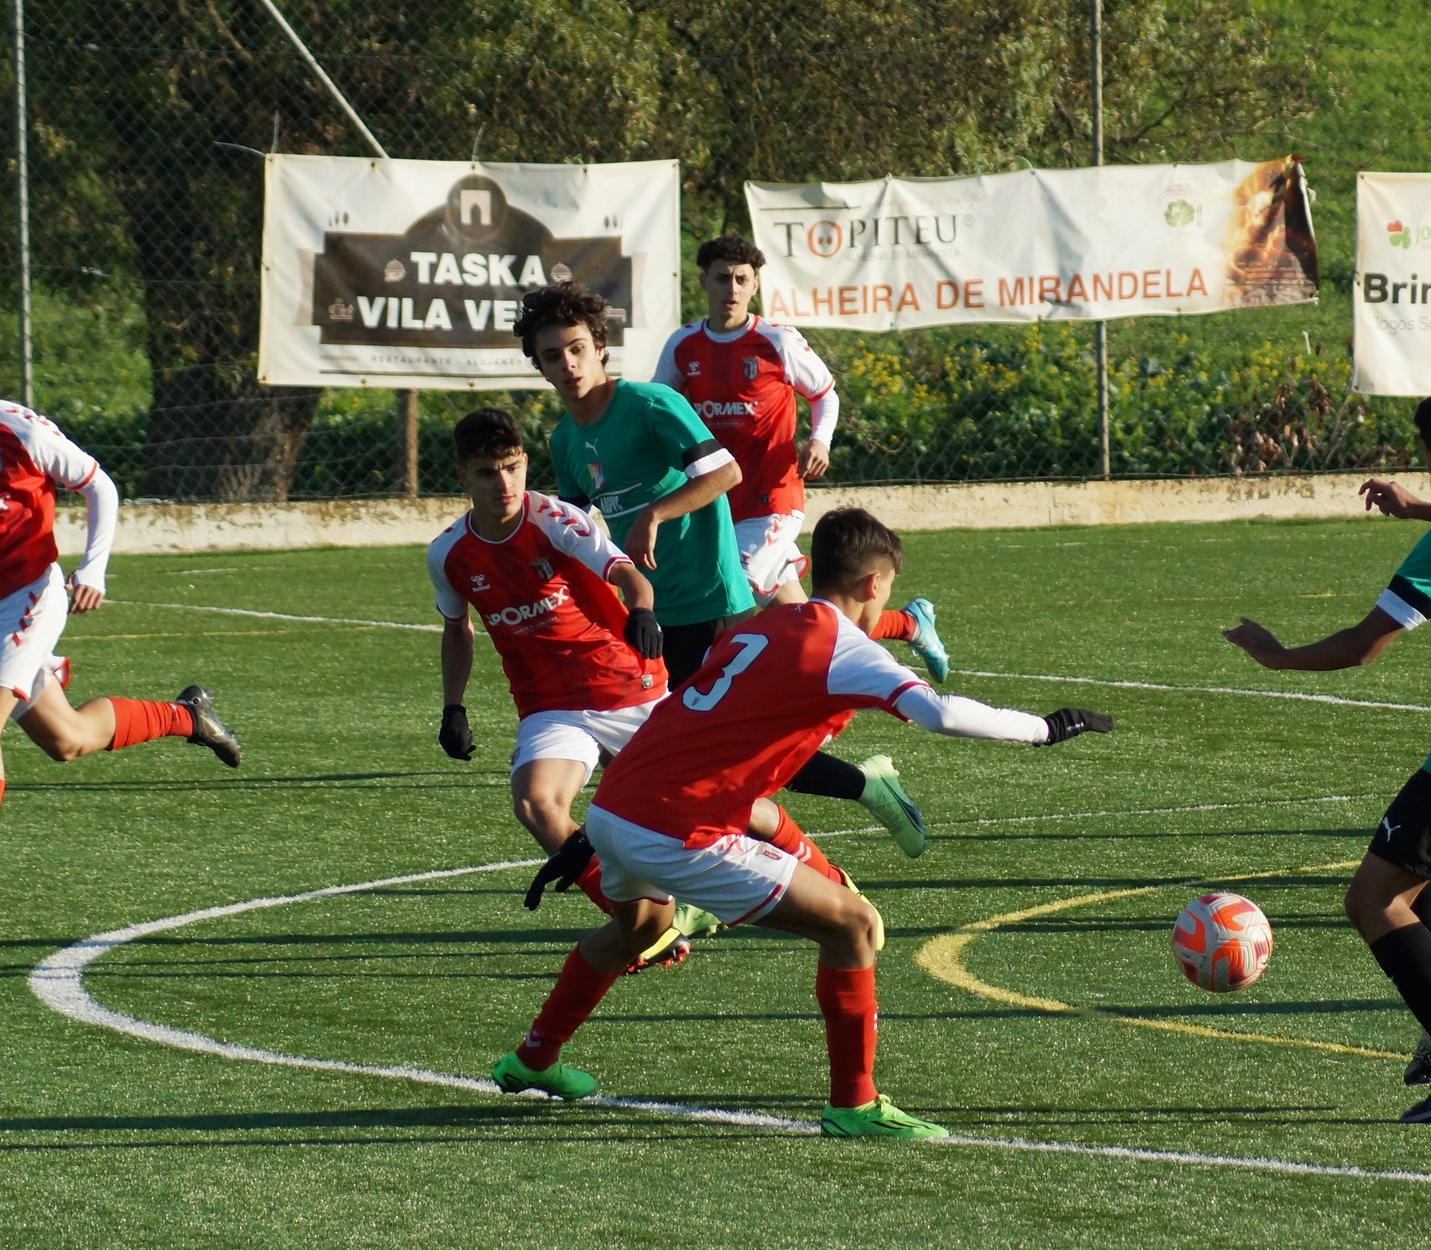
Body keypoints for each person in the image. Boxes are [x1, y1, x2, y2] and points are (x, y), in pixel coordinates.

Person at [488, 508, 1114, 1138]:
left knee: (636, 931)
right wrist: (1046, 729)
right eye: (888, 590)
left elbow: (697, 732)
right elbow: (940, 714)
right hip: (676, 829)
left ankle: (534, 1058)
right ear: (875, 585)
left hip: (617, 807)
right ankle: (855, 1106)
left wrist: (599, 832)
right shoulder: (843, 648)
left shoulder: (768, 625)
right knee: (854, 925)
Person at [1223, 384, 1431, 1123]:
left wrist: (1276, 657)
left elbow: (1361, 646)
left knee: (1371, 900)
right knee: (1420, 873)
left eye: (1428, 462)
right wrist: (1416, 509)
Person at [517, 282, 931, 856]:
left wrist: (654, 514)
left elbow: (725, 474)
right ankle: (703, 874)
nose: (567, 364)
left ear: (600, 348)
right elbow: (579, 528)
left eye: (577, 348)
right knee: (665, 758)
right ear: (537, 366)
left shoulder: (651, 405)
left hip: (711, 605)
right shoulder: (566, 439)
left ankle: (840, 820)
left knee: (740, 753)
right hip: (649, 617)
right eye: (552, 356)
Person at [0, 309, 240, 910]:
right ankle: (187, 717)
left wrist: (92, 568)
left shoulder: (21, 431)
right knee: (66, 739)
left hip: (31, 595)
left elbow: (100, 486)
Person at [427, 406, 715, 969]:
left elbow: (625, 571)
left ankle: (823, 877)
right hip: (550, 708)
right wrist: (453, 706)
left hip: (626, 687)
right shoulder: (448, 554)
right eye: (487, 472)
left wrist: (644, 610)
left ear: (525, 463)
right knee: (537, 805)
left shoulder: (553, 519)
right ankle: (643, 926)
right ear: (463, 476)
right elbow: (456, 628)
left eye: (512, 467)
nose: (503, 483)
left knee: (716, 806)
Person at [654, 233, 949, 682]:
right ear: (703, 283)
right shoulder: (683, 346)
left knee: (729, 594)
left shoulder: (777, 341)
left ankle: (725, 697)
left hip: (773, 500)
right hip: (717, 505)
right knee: (817, 623)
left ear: (754, 286)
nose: (731, 289)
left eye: (741, 279)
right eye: (722, 279)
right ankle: (908, 625)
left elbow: (825, 394)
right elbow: (662, 409)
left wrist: (820, 441)